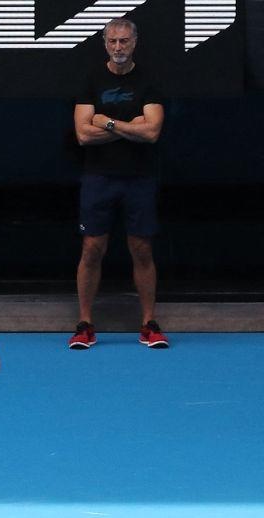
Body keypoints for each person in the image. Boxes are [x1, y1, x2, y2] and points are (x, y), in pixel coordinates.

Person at [70, 17, 169, 350]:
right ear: (105, 44)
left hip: (139, 178)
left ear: (134, 42)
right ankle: (85, 324)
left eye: (123, 41)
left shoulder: (150, 81)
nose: (118, 47)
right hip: (99, 178)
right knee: (92, 249)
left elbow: (152, 132)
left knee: (141, 249)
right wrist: (131, 126)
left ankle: (149, 324)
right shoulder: (90, 80)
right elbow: (83, 134)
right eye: (112, 42)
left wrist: (107, 122)